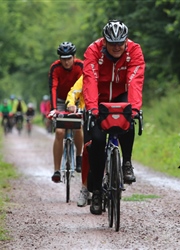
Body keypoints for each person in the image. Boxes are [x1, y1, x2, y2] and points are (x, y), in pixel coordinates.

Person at [82, 20, 145, 215]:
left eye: (121, 43)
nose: (117, 47)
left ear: (126, 41)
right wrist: (92, 109)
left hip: (121, 95)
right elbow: (90, 79)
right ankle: (98, 192)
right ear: (105, 42)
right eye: (112, 43)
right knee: (98, 142)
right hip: (98, 99)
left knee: (129, 117)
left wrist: (134, 108)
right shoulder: (93, 50)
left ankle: (126, 162)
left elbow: (135, 80)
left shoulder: (134, 50)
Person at [48, 41, 84, 183]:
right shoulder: (55, 68)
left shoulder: (81, 66)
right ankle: (57, 170)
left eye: (69, 58)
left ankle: (79, 157)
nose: (66, 62)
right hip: (61, 101)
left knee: (78, 127)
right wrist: (53, 109)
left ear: (74, 57)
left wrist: (80, 106)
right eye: (63, 58)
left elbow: (84, 86)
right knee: (59, 132)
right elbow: (53, 88)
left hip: (76, 100)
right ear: (59, 59)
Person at [66, 75, 92, 207]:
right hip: (90, 116)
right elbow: (74, 92)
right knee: (87, 151)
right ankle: (85, 188)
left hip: (107, 115)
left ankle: (117, 175)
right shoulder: (86, 76)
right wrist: (71, 104)